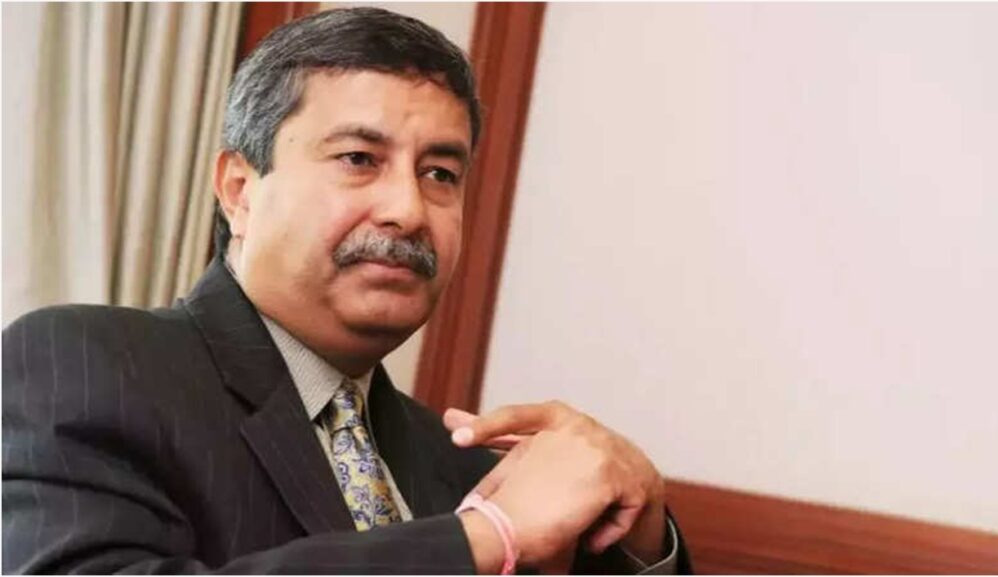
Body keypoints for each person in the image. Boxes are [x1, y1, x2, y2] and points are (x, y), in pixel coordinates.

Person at [2, 8, 691, 574]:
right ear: (240, 191)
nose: (408, 210)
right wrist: (484, 538)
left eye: (440, 174)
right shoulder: (88, 364)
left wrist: (643, 536)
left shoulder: (462, 463)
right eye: (359, 159)